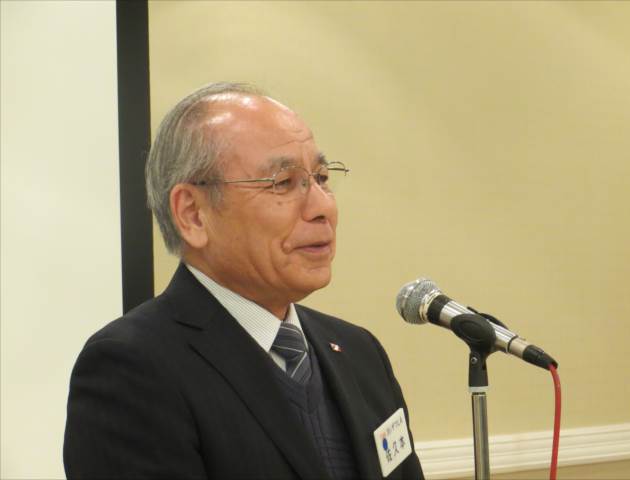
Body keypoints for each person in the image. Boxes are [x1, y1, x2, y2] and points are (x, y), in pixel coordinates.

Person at [64, 83, 424, 479]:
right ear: (193, 214)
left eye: (321, 177)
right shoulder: (133, 369)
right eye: (283, 182)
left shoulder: (359, 352)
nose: (323, 206)